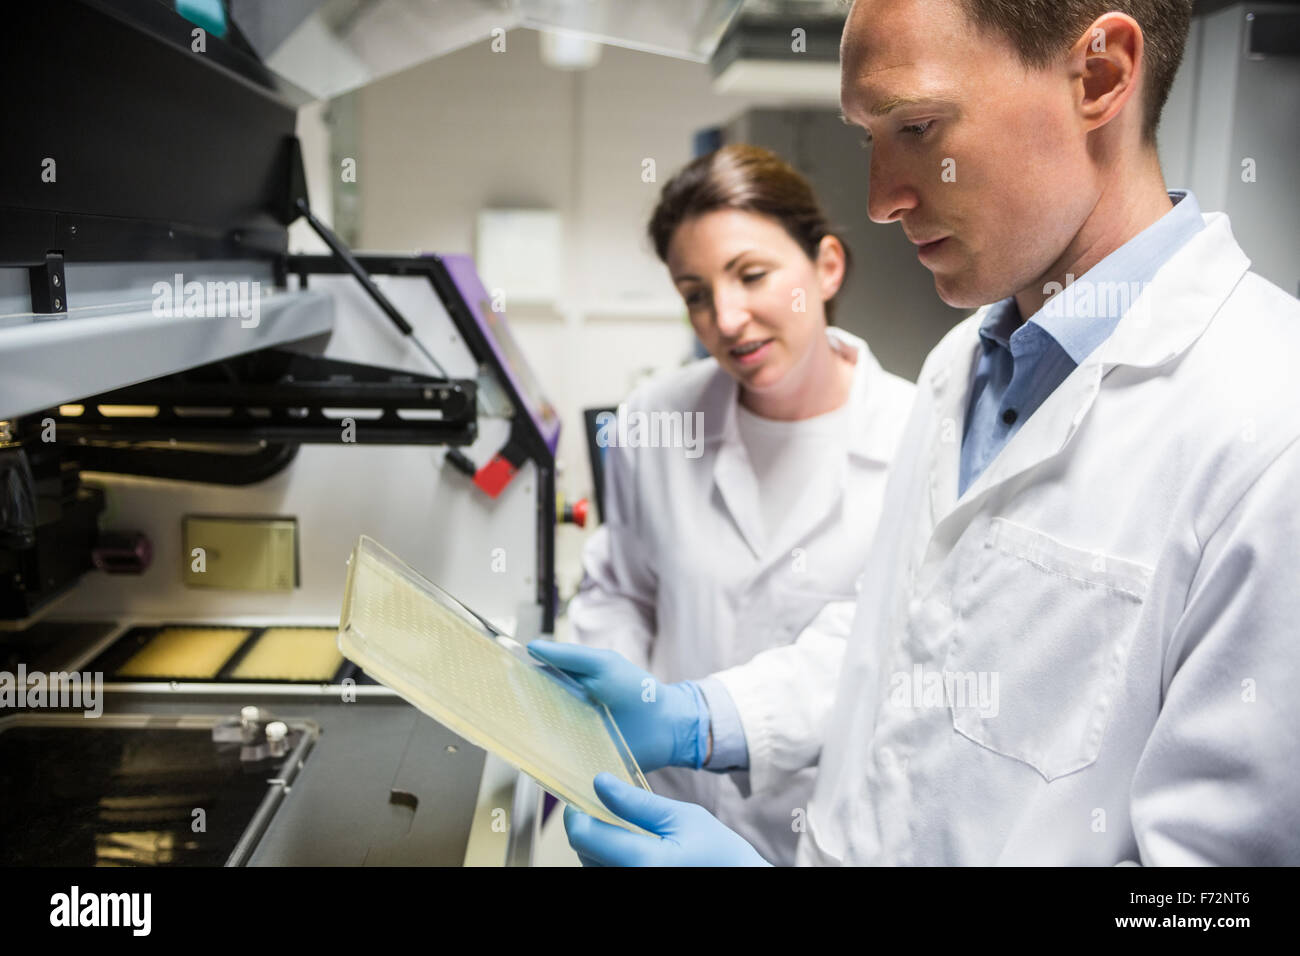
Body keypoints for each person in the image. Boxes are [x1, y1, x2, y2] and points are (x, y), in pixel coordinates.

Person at [530, 0, 1300, 865]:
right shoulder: (962, 364)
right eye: (869, 138)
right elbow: (903, 645)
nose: (882, 200)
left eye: (919, 125)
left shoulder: (1271, 430)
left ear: (1101, 74)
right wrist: (706, 719)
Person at [550, 145, 915, 865]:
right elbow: (621, 588)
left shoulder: (918, 435)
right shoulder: (654, 419)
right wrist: (606, 728)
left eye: (751, 275)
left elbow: (880, 654)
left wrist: (696, 721)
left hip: (825, 839)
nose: (726, 317)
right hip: (661, 816)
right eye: (694, 293)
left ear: (827, 267)